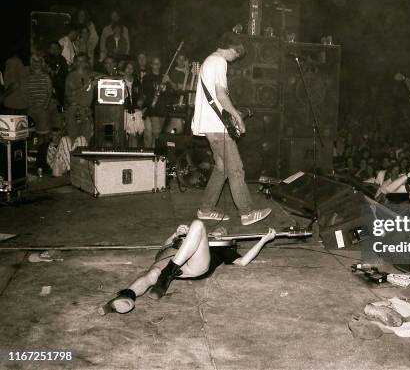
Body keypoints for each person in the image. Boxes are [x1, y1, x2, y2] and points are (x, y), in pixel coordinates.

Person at [98, 221, 277, 314]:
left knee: (198, 224)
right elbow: (163, 248)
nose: (219, 232)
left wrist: (263, 240)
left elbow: (243, 261)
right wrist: (176, 234)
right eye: (218, 230)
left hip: (193, 266)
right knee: (152, 273)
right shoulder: (190, 238)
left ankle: (168, 273)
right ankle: (124, 299)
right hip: (170, 257)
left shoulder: (224, 249)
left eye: (224, 232)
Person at [192, 32, 271, 225]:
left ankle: (206, 209)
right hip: (217, 127)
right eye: (236, 55)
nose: (235, 60)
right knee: (236, 169)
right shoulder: (219, 62)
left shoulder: (208, 61)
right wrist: (237, 117)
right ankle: (247, 212)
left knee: (222, 169)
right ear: (231, 49)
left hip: (209, 126)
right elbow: (221, 95)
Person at [64, 53, 98, 142]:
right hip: (74, 111)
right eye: (78, 61)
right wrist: (86, 85)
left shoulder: (91, 74)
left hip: (86, 111)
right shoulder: (71, 76)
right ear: (75, 62)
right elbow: (69, 94)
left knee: (86, 139)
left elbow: (105, 76)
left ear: (87, 62)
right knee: (72, 139)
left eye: (83, 60)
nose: (81, 63)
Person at [142, 57, 170, 148]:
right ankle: (149, 157)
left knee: (152, 135)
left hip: (161, 109)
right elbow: (145, 94)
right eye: (154, 63)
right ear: (151, 65)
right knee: (153, 135)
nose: (156, 66)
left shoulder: (164, 77)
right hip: (151, 109)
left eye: (158, 64)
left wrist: (169, 81)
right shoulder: (147, 77)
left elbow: (175, 90)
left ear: (160, 65)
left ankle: (153, 157)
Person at [26, 54, 53, 143]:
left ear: (42, 63)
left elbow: (49, 92)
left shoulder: (46, 76)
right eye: (34, 61)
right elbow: (27, 93)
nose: (36, 63)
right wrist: (30, 106)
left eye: (38, 61)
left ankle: (43, 155)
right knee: (31, 135)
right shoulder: (28, 77)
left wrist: (44, 106)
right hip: (31, 109)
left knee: (43, 136)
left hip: (42, 109)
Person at [122, 61, 145, 148]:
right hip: (124, 111)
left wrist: (141, 100)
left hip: (136, 111)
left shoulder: (136, 81)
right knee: (125, 136)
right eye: (127, 68)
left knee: (134, 135)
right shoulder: (119, 80)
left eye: (131, 68)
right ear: (124, 68)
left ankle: (132, 155)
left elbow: (141, 95)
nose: (129, 70)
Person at [45, 41, 69, 110]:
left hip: (59, 91)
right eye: (52, 48)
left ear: (59, 49)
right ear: (48, 49)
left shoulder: (62, 59)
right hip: (46, 91)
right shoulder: (44, 60)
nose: (54, 50)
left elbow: (65, 74)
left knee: (59, 111)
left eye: (56, 48)